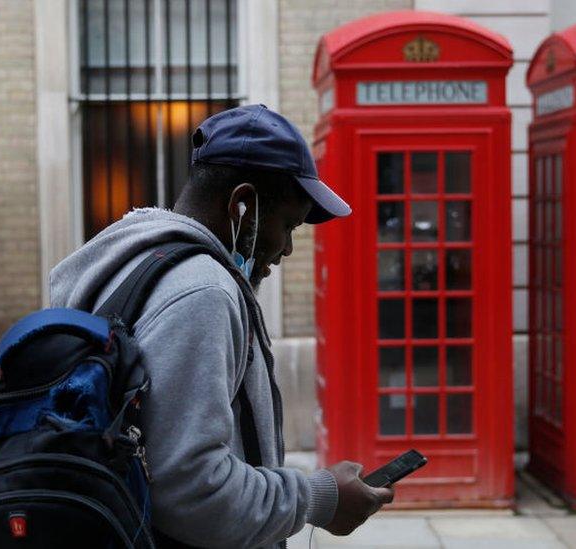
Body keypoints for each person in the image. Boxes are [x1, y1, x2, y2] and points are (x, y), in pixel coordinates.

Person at [49, 104, 394, 548]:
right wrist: (318, 498)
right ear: (241, 205)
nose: (287, 248)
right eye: (286, 224)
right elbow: (192, 489)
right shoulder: (203, 291)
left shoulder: (127, 261)